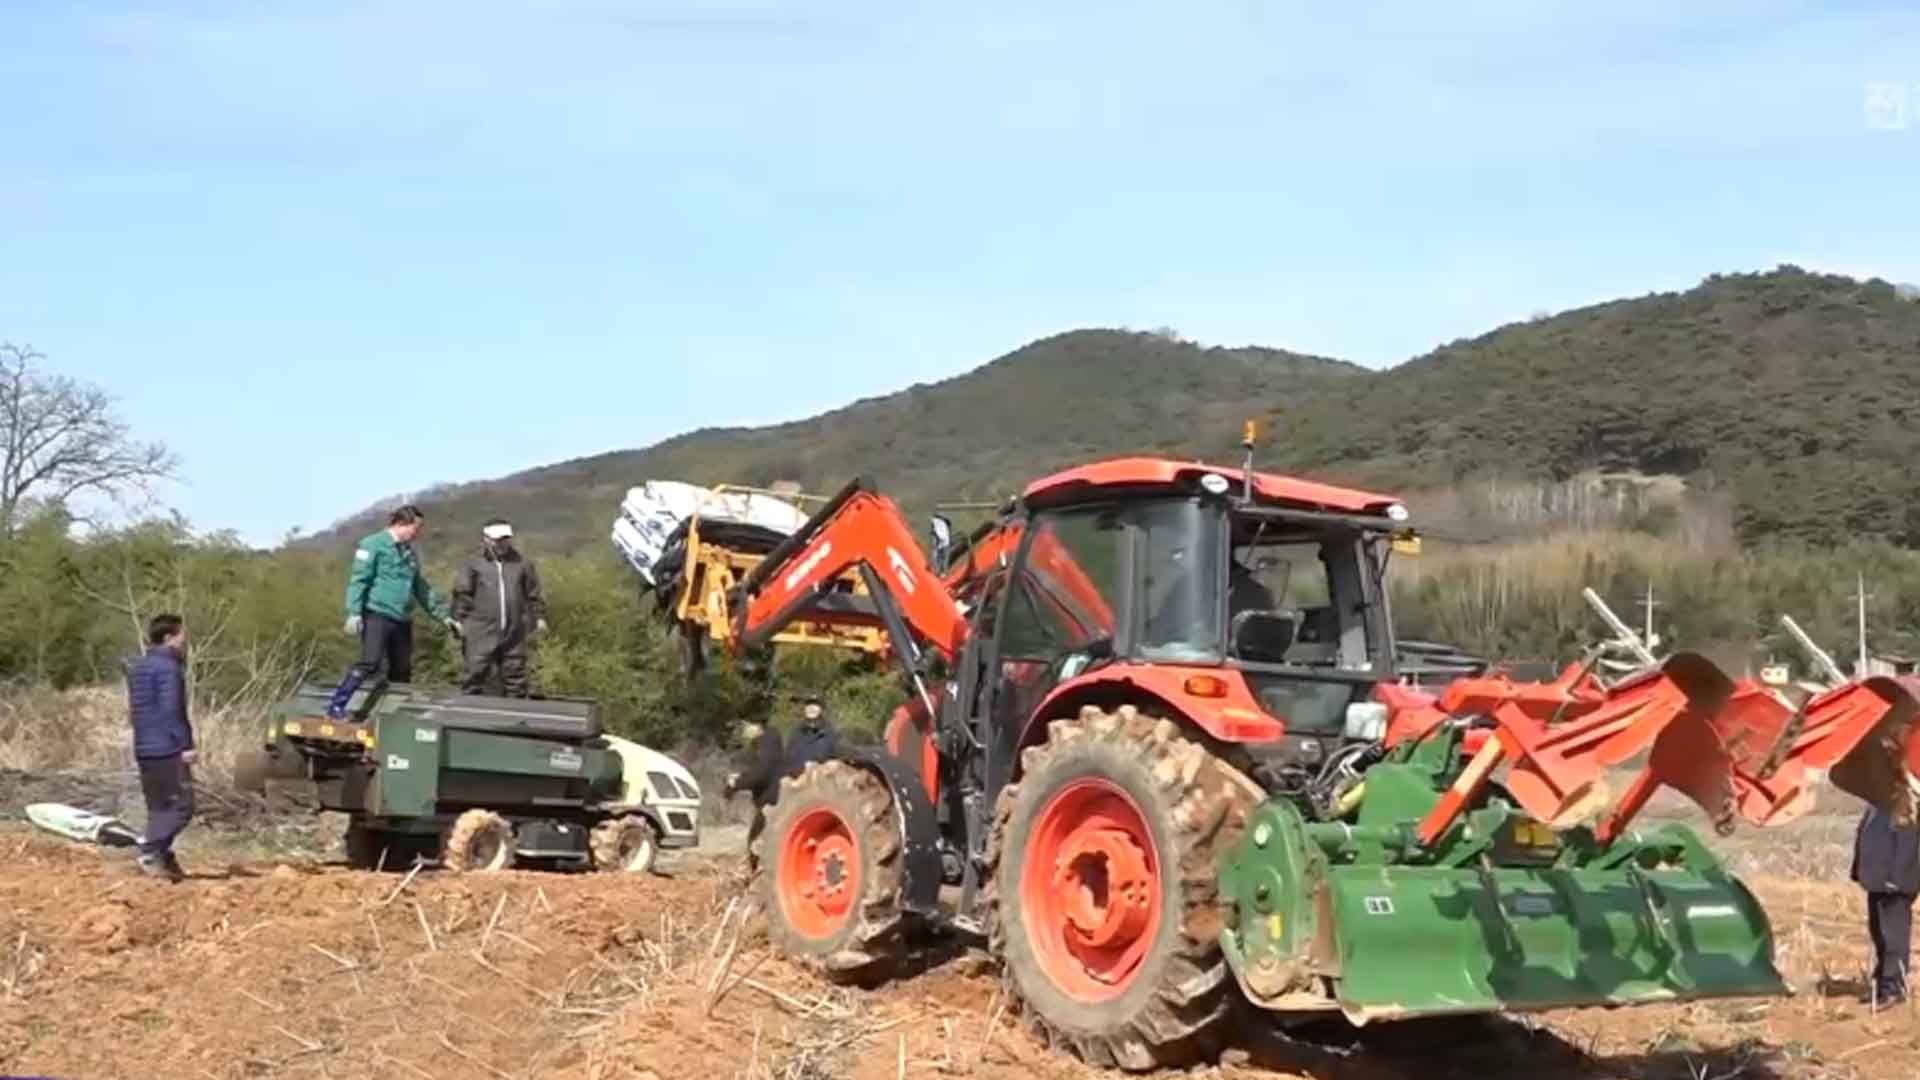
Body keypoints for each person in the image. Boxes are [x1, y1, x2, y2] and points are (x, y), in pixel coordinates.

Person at [323, 504, 460, 720]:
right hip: (377, 613)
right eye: (416, 528)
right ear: (401, 524)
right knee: (370, 661)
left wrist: (443, 616)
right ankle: (337, 705)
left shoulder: (409, 554)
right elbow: (358, 580)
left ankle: (394, 713)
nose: (418, 533)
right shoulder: (373, 545)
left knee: (402, 669)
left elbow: (421, 589)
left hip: (401, 617)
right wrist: (354, 612)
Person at [127, 613, 194, 882]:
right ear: (169, 638)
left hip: (144, 745)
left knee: (158, 807)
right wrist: (185, 745)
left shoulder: (139, 667)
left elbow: (136, 710)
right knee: (182, 806)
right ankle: (151, 851)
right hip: (167, 747)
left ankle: (161, 857)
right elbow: (172, 710)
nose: (184, 642)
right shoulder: (168, 669)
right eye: (181, 636)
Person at [451, 518, 548, 697]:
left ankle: (515, 720)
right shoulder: (473, 563)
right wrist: (458, 620)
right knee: (475, 674)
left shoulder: (522, 563)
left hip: (514, 630)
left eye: (505, 538)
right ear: (486, 538)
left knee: (516, 676)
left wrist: (539, 617)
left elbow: (533, 593)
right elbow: (462, 593)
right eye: (497, 539)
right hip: (480, 630)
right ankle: (467, 718)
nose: (501, 543)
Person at [1851, 803, 1920, 1007]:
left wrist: (1896, 878)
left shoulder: (1905, 804)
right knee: (1879, 934)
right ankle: (1880, 986)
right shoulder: (1875, 805)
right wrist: (1858, 870)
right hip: (1877, 880)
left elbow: (1908, 844)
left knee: (1893, 937)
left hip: (1895, 884)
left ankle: (1894, 989)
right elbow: (1863, 835)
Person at [724, 719, 786, 866]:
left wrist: (736, 783)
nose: (744, 732)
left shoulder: (766, 745)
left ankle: (760, 877)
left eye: (745, 727)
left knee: (757, 843)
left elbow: (761, 774)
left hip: (770, 802)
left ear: (756, 726)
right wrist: (741, 777)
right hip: (773, 799)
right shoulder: (769, 742)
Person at [785, 694, 838, 776]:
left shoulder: (830, 733)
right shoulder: (796, 733)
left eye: (815, 705)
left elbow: (837, 760)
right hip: (799, 780)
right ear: (804, 709)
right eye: (808, 705)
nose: (811, 708)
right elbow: (787, 761)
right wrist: (803, 767)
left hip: (823, 782)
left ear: (821, 709)